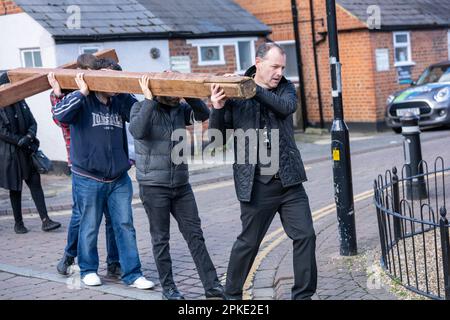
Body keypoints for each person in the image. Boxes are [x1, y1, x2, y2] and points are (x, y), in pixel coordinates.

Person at [209, 42, 317, 300]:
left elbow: (284, 108)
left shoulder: (286, 89)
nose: (279, 72)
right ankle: (231, 296)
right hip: (257, 184)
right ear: (258, 63)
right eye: (274, 66)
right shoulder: (235, 92)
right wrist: (218, 107)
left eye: (282, 67)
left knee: (306, 236)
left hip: (289, 182)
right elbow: (218, 137)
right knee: (248, 243)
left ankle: (302, 297)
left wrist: (250, 88)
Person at [52, 68, 154, 289]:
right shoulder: (82, 99)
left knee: (125, 225)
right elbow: (59, 115)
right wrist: (80, 93)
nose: (116, 87)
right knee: (89, 225)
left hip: (118, 177)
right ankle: (88, 270)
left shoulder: (120, 100)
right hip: (88, 177)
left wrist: (129, 91)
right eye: (112, 82)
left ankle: (133, 274)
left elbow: (138, 119)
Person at [129, 74, 224, 300]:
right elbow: (138, 131)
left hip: (181, 185)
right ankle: (169, 289)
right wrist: (150, 100)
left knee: (195, 235)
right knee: (161, 239)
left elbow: (203, 114)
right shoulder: (140, 107)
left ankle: (212, 286)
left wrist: (189, 92)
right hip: (154, 186)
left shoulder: (179, 109)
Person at [49, 56, 121, 279]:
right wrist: (61, 94)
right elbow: (61, 119)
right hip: (80, 162)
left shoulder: (103, 95)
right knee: (81, 216)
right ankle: (70, 256)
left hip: (106, 163)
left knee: (113, 217)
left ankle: (114, 263)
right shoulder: (67, 93)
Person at [0, 72, 61, 234]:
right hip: (11, 154)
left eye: (9, 85)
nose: (8, 88)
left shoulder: (20, 100)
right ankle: (18, 223)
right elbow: (1, 130)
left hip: (27, 150)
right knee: (15, 189)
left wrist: (28, 136)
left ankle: (45, 220)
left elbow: (32, 122)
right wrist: (18, 140)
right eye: (5, 86)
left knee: (35, 183)